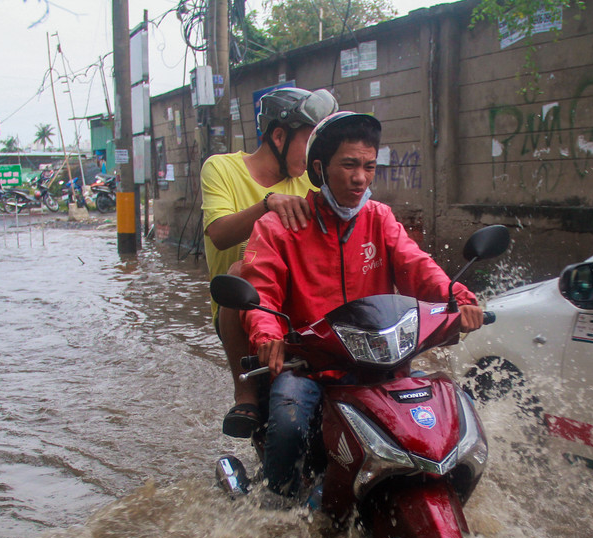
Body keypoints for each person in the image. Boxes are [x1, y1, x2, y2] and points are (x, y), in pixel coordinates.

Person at [238, 111, 484, 496]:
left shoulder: (379, 218)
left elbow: (419, 268)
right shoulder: (280, 226)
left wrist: (459, 299)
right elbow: (260, 290)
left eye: (369, 167)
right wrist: (268, 333)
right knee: (288, 425)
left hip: (380, 361)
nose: (360, 178)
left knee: (447, 411)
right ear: (319, 168)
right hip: (311, 366)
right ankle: (274, 509)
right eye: (349, 165)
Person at [201, 86, 338, 439]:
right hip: (244, 309)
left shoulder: (312, 182)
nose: (315, 156)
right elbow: (218, 234)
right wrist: (267, 205)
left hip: (302, 307)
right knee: (239, 272)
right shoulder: (221, 168)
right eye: (309, 143)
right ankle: (244, 393)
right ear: (278, 135)